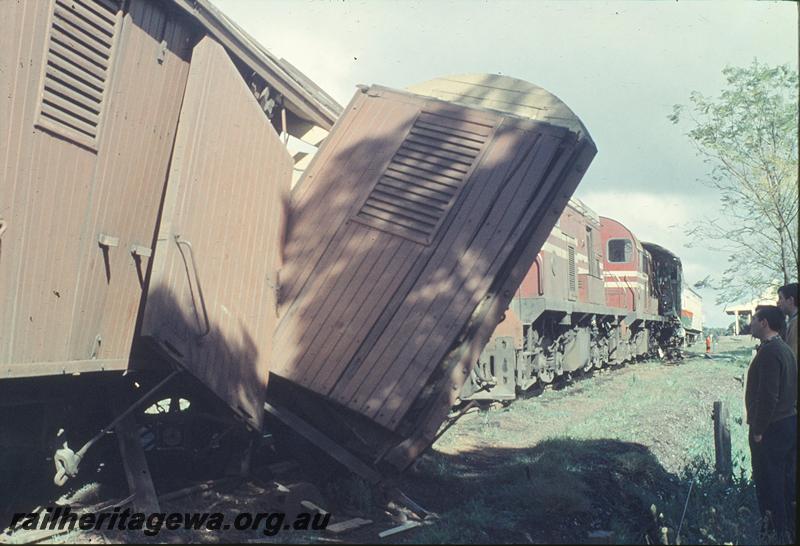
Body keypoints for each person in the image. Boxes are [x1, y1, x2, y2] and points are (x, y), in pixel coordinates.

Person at [746, 305, 797, 543]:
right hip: (787, 424)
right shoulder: (784, 349)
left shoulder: (769, 352)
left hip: (772, 429)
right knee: (785, 481)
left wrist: (758, 430)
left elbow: (768, 396)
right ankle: (786, 529)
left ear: (764, 323)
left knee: (769, 483)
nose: (751, 323)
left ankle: (773, 533)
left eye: (754, 319)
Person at [777, 282, 797, 360]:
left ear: (790, 300)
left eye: (780, 298)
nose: (778, 302)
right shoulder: (792, 322)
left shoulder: (795, 323)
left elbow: (793, 356)